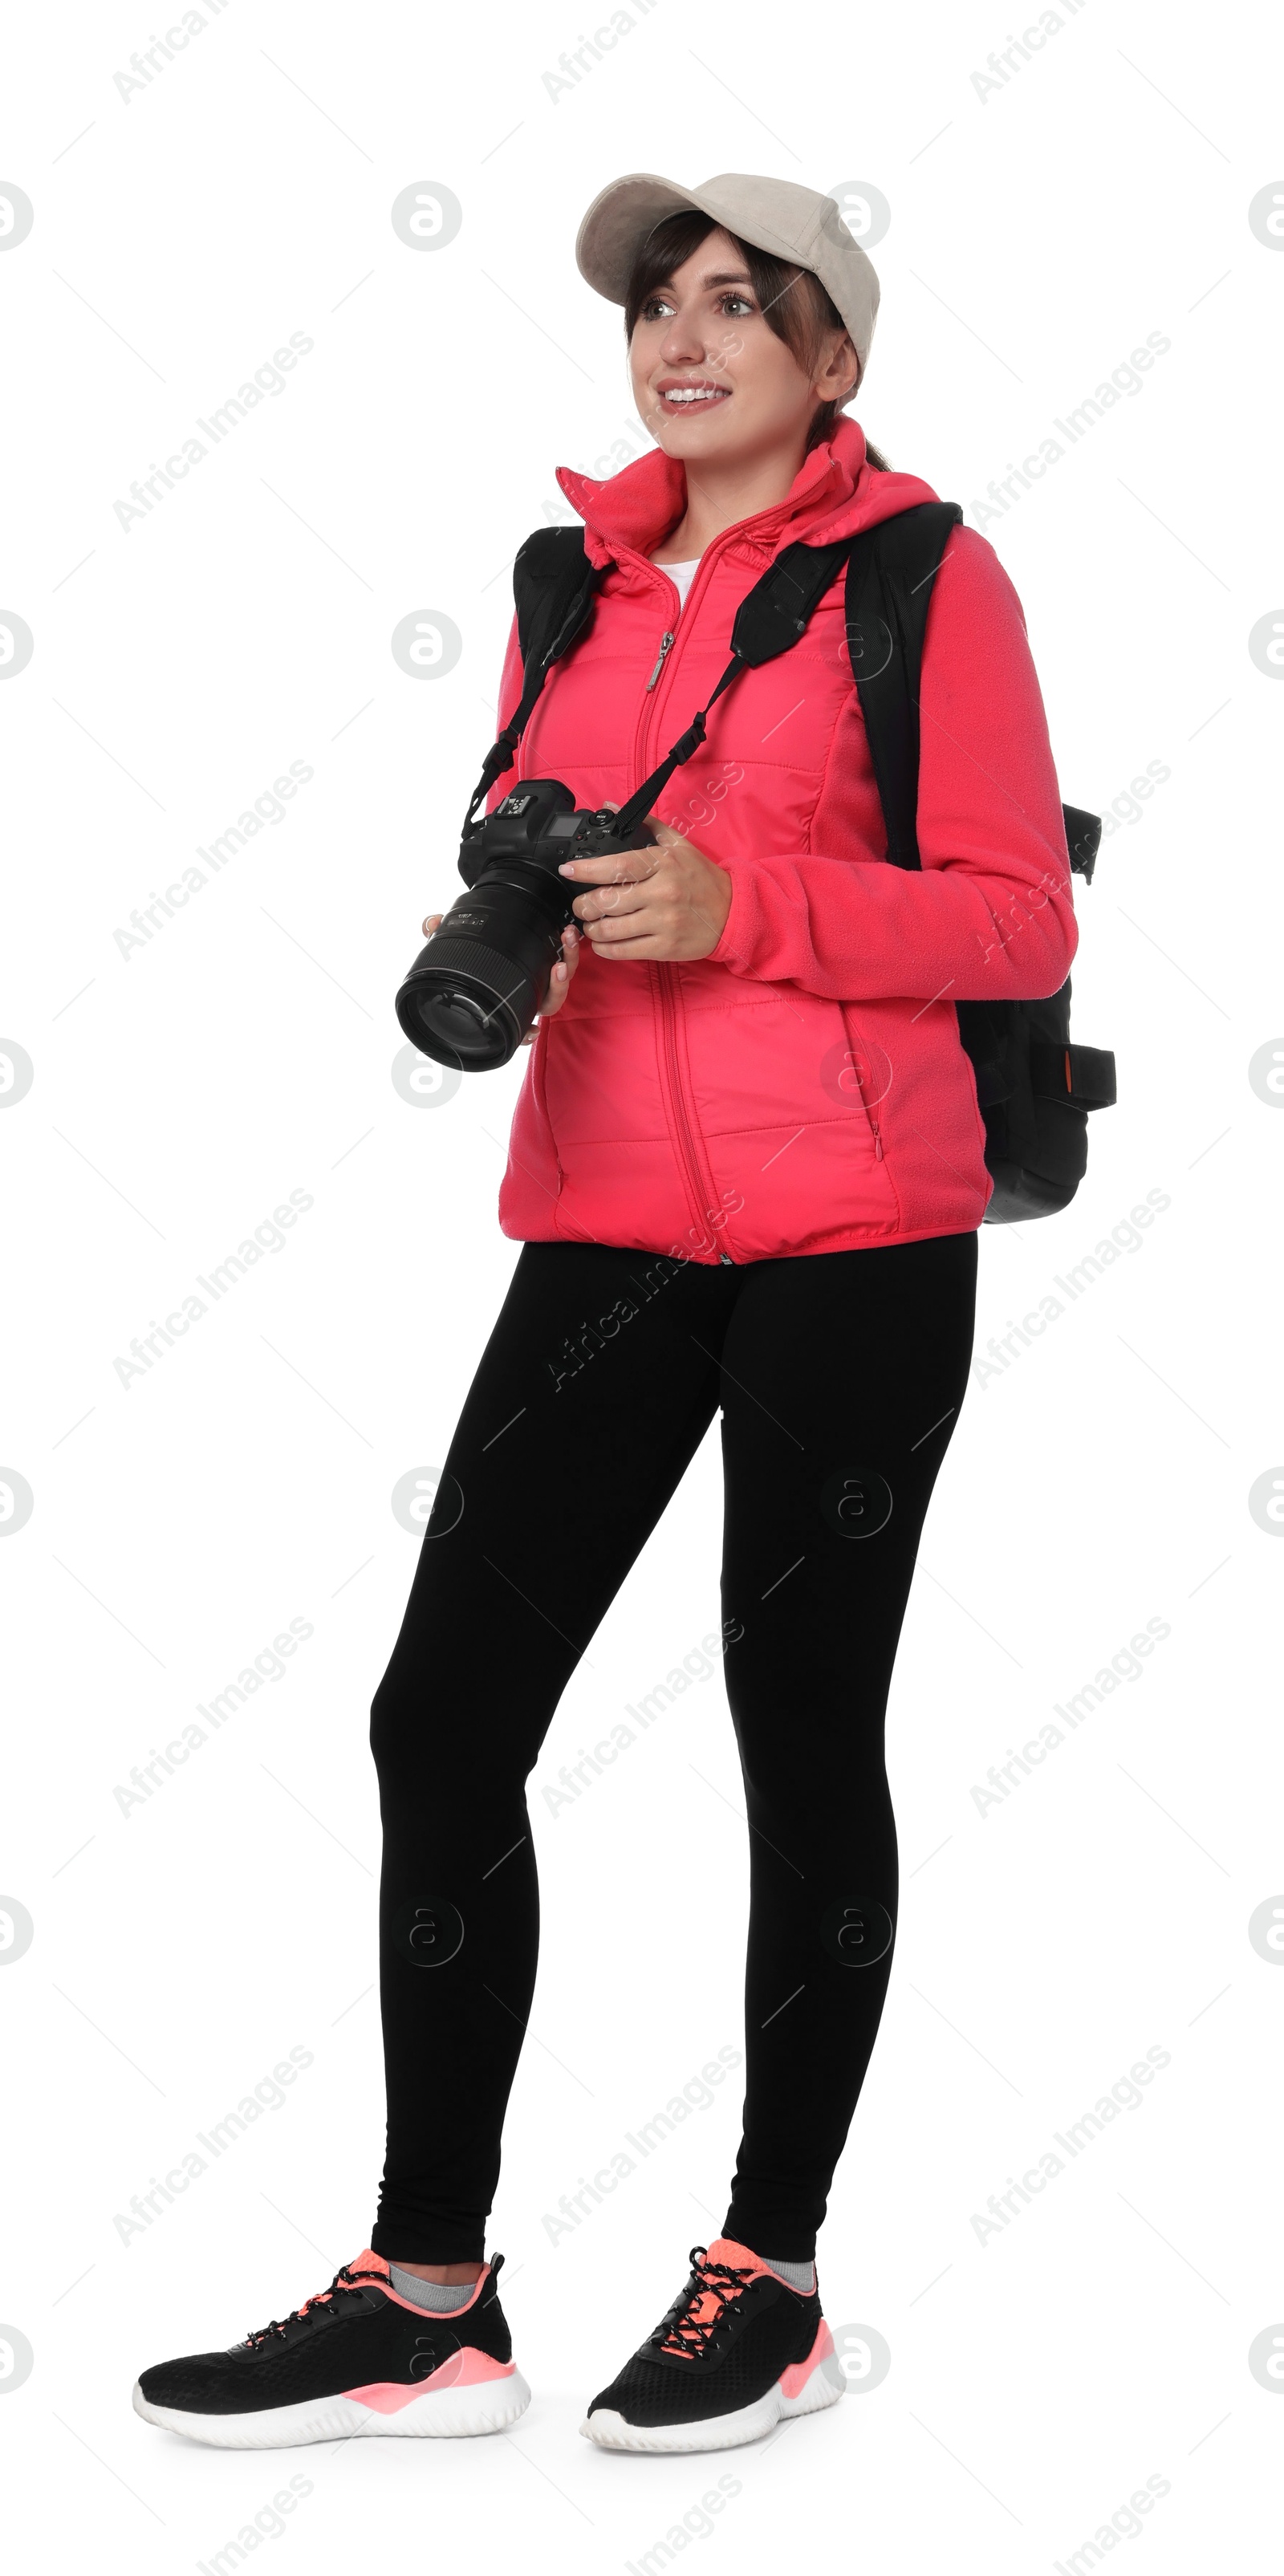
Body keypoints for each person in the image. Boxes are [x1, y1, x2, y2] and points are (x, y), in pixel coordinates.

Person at [134, 172, 1076, 2456]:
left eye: (737, 304)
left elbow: (1014, 918)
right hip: (613, 1226)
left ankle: (769, 2264)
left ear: (831, 359)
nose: (681, 333)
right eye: (659, 303)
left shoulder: (930, 578)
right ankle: (430, 2290)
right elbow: (534, 821)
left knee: (796, 1728)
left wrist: (744, 904)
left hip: (858, 1232)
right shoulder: (575, 577)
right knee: (441, 1716)